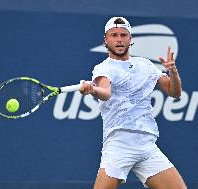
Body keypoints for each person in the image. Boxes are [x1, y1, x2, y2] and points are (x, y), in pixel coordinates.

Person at [79, 17, 187, 189]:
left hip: (146, 145)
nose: (119, 39)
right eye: (114, 35)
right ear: (105, 40)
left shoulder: (145, 65)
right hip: (119, 144)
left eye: (123, 35)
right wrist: (93, 90)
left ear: (130, 39)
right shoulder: (103, 68)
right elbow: (105, 92)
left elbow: (175, 92)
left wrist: (173, 72)